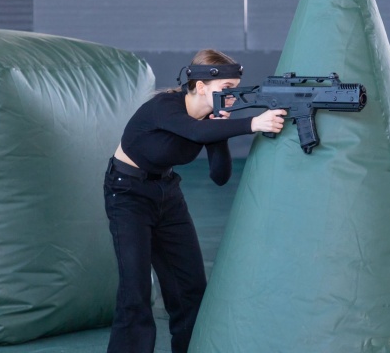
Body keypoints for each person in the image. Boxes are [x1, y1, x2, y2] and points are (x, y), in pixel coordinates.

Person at [103, 48, 286, 353]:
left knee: (190, 288)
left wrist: (221, 131)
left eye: (235, 88)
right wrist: (253, 124)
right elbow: (194, 131)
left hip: (167, 193)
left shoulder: (209, 121)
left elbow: (220, 176)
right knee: (135, 291)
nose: (232, 95)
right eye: (226, 88)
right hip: (127, 193)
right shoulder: (165, 107)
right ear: (201, 86)